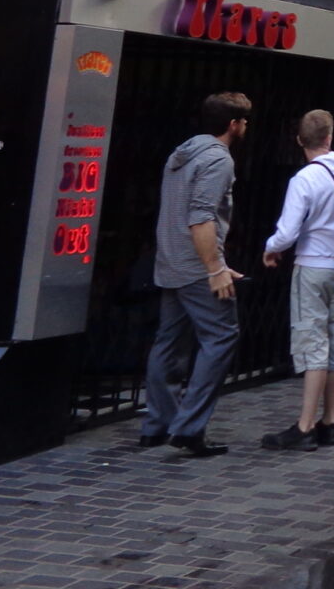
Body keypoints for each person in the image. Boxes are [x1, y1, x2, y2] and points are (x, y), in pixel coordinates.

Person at [139, 92, 251, 458]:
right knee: (221, 337)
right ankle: (188, 428)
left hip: (170, 261)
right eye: (245, 121)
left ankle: (157, 426)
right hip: (195, 267)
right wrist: (215, 268)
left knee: (168, 341)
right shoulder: (218, 160)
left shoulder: (182, 152)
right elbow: (201, 216)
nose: (247, 126)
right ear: (233, 124)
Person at [260, 110, 334, 451]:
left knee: (313, 342)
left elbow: (287, 231)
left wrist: (271, 249)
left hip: (312, 265)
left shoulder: (304, 180)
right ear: (330, 137)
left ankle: (305, 426)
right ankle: (330, 421)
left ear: (299, 141)